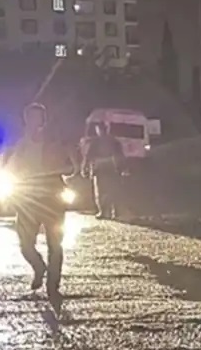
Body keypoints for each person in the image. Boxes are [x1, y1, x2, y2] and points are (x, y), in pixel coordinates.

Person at [8, 103, 76, 298]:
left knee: (55, 244)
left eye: (38, 118)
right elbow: (11, 166)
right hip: (28, 198)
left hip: (52, 197)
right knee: (25, 243)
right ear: (26, 120)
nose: (35, 122)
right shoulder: (20, 143)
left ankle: (53, 286)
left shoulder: (56, 142)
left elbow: (70, 168)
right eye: (31, 118)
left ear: (43, 120)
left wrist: (58, 167)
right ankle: (38, 267)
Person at [80, 121, 125, 218]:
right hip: (111, 168)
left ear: (98, 130)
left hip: (101, 169)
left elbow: (88, 156)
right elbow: (120, 155)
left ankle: (104, 212)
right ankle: (115, 211)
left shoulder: (95, 142)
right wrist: (122, 167)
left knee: (101, 191)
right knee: (113, 190)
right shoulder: (114, 141)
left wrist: (84, 167)